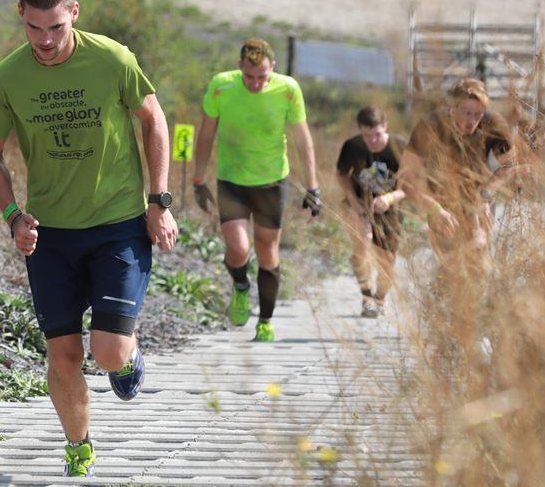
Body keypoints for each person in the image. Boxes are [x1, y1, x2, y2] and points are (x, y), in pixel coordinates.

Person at [0, 0, 178, 479]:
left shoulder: (112, 59)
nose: (45, 40)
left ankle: (126, 358)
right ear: (20, 14)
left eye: (56, 27)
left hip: (117, 225)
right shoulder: (7, 77)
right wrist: (13, 216)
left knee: (107, 353)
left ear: (75, 12)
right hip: (50, 236)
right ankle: (78, 449)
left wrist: (159, 200)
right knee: (63, 355)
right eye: (34, 27)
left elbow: (154, 119)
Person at [191, 38, 320, 343]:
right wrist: (198, 180)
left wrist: (313, 187)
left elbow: (302, 139)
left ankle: (265, 321)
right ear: (239, 67)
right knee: (238, 249)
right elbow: (206, 134)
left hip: (271, 182)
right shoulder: (221, 86)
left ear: (272, 67)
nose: (255, 83)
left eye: (262, 76)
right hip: (232, 180)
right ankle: (240, 286)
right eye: (249, 76)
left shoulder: (288, 89)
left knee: (267, 249)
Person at [399, 78, 515, 364]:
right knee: (452, 266)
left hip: (476, 198)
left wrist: (486, 195)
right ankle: (442, 324)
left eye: (477, 114)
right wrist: (433, 209)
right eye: (466, 113)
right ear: (452, 109)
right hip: (440, 202)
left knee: (478, 261)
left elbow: (511, 166)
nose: (472, 121)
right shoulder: (430, 126)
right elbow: (406, 177)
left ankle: (472, 331)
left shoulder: (492, 123)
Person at [336, 106, 407, 318]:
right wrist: (355, 203)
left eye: (377, 134)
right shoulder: (353, 146)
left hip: (390, 206)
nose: (372, 141)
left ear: (385, 126)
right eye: (367, 136)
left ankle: (380, 299)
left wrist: (389, 198)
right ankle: (367, 297)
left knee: (388, 259)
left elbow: (411, 185)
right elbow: (341, 175)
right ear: (360, 130)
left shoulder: (399, 147)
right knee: (362, 243)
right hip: (359, 204)